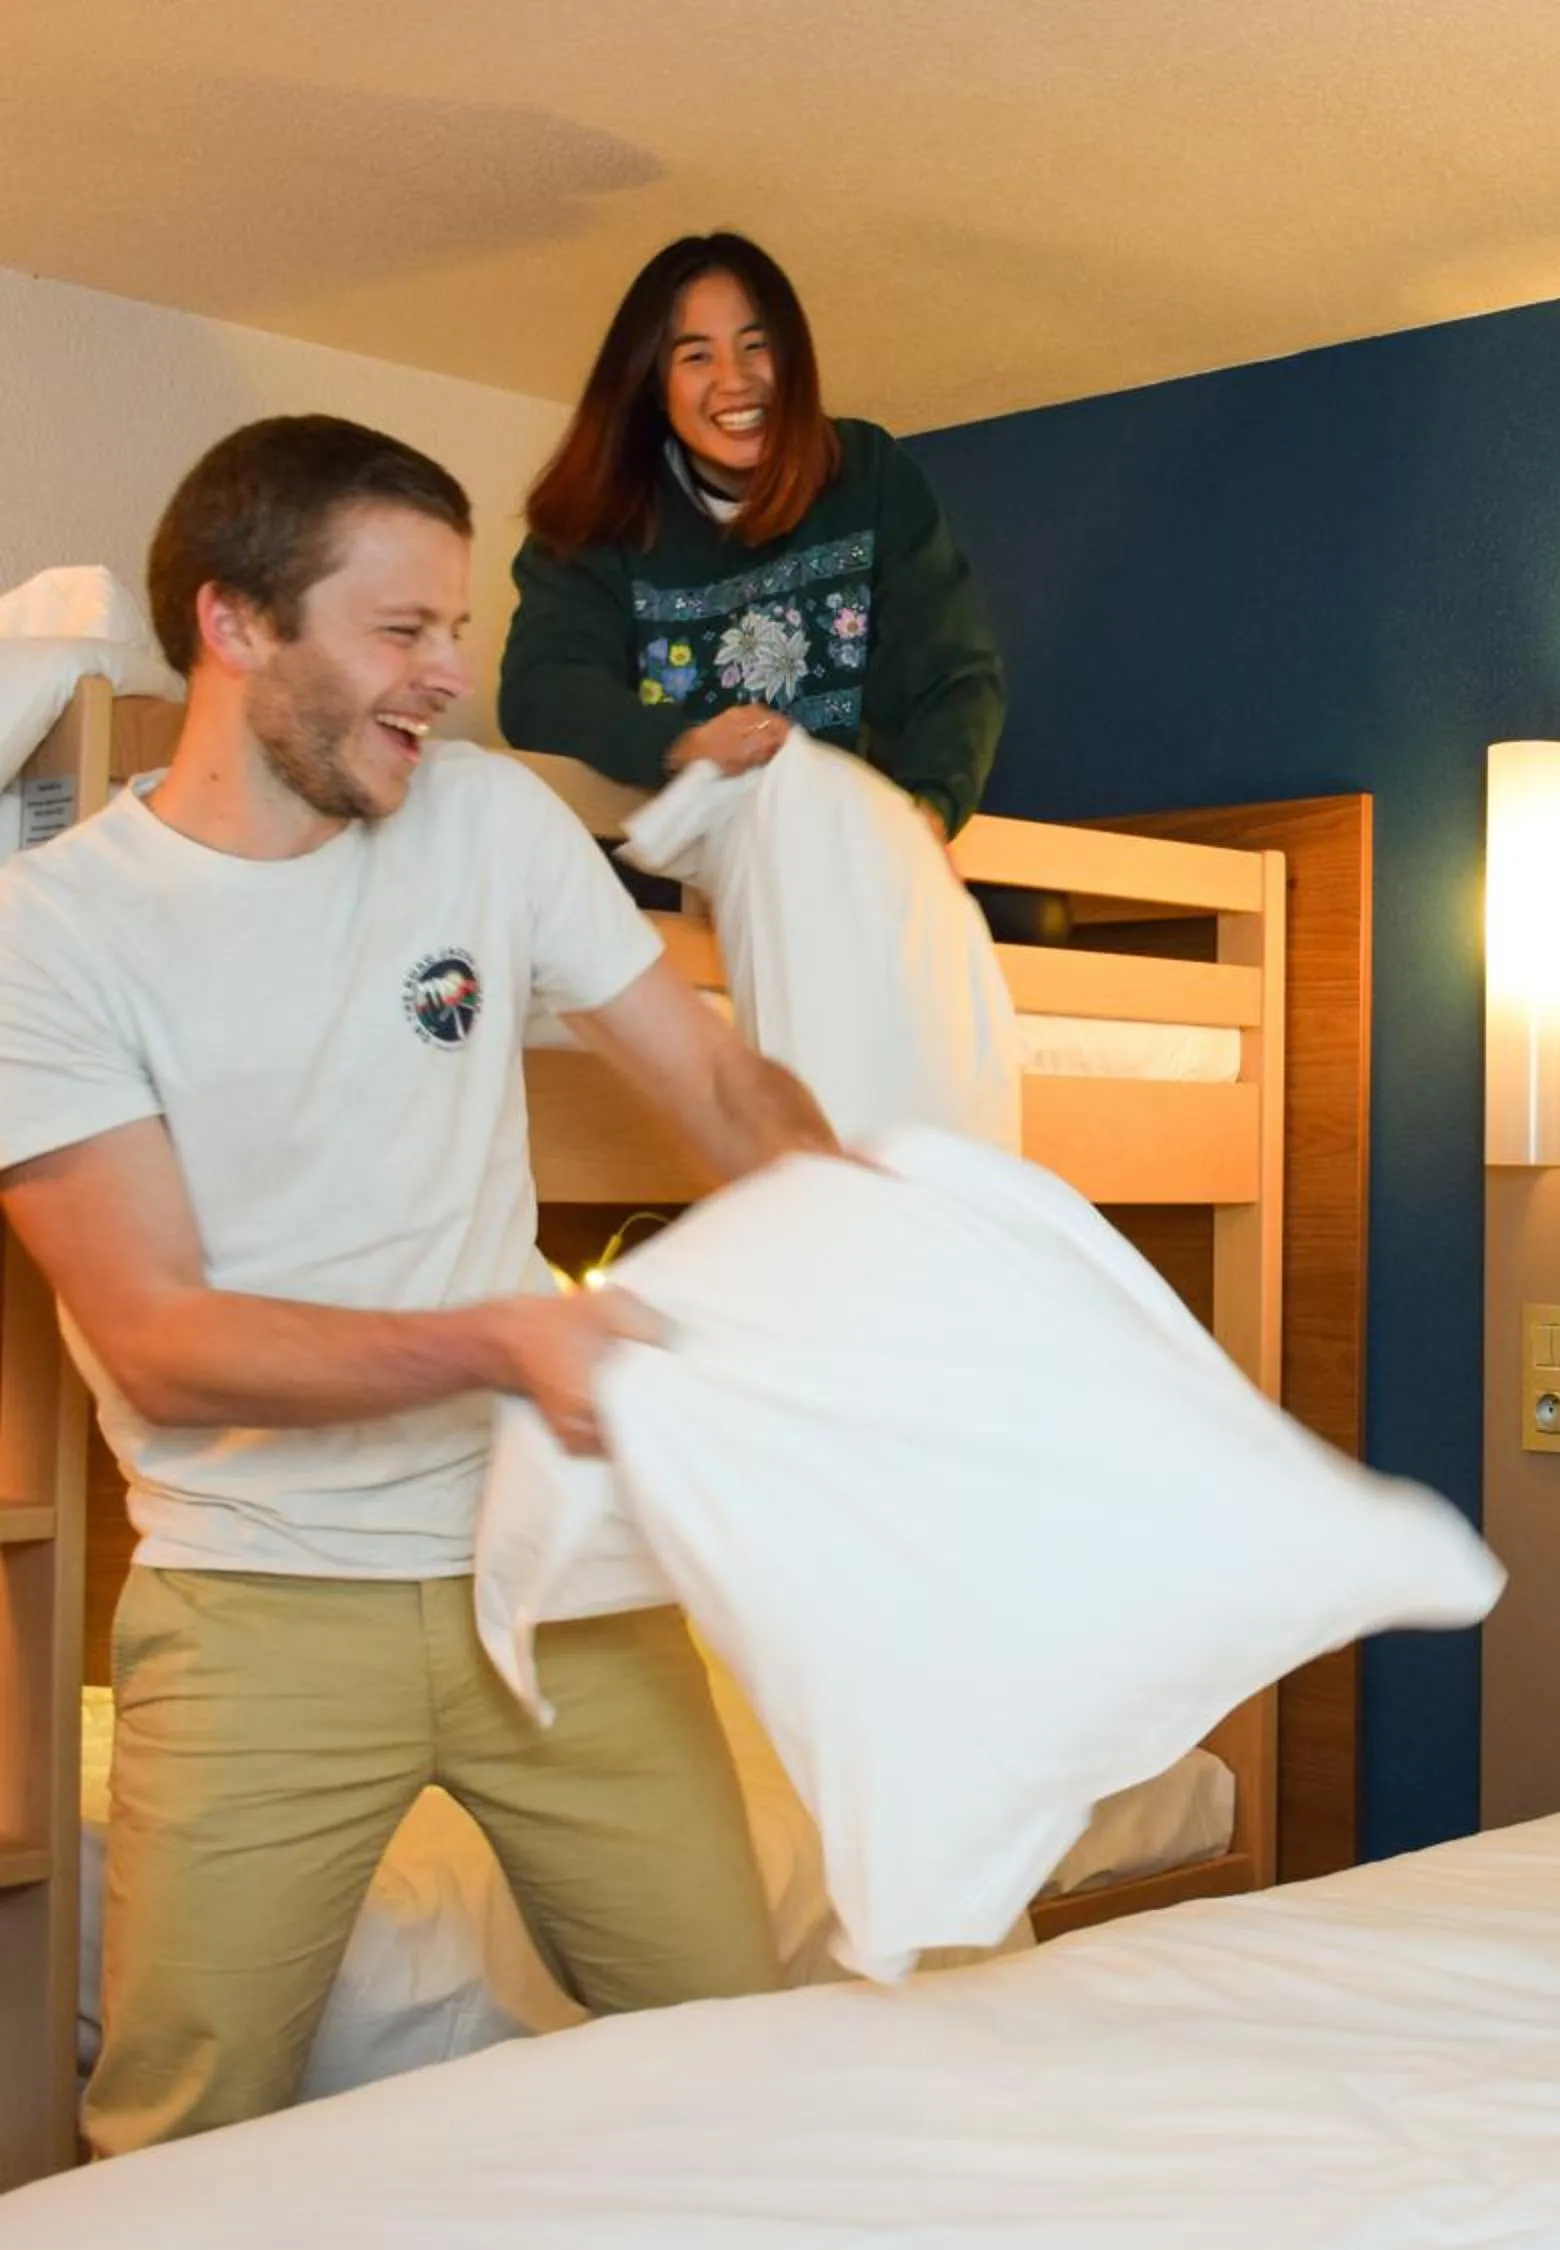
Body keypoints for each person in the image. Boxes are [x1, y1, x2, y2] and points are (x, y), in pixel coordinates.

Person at [0, 416, 844, 2153]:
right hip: (261, 1605)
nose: (449, 677)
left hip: (552, 1582)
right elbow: (160, 1338)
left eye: (452, 630)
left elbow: (706, 1089)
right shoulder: (55, 938)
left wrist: (877, 1223)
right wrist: (503, 1338)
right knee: (178, 2133)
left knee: (746, 2060)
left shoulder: (487, 825)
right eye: (403, 633)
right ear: (238, 626)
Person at [496, 232, 1005, 852]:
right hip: (668, 870)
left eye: (756, 347)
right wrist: (685, 745)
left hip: (835, 857)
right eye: (696, 357)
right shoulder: (599, 513)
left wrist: (927, 813)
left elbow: (953, 673)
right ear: (655, 385)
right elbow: (542, 690)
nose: (734, 381)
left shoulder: (866, 475)